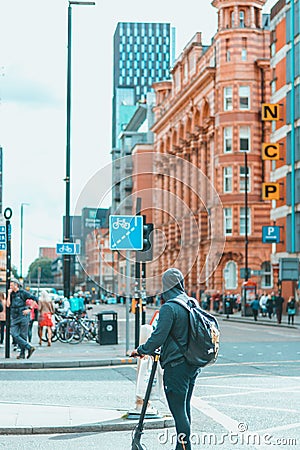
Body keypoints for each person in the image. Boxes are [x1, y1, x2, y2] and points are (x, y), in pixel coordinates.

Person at [131, 268, 201, 450]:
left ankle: (185, 448)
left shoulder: (169, 307)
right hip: (192, 364)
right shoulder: (191, 302)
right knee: (184, 409)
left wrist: (141, 350)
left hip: (176, 366)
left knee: (178, 412)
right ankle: (182, 446)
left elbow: (157, 337)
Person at [7, 279, 37, 359]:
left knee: (23, 335)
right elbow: (8, 305)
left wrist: (29, 309)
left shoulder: (23, 293)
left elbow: (35, 299)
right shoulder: (11, 294)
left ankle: (22, 354)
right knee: (14, 333)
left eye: (11, 285)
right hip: (14, 316)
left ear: (16, 285)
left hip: (23, 315)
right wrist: (9, 294)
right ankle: (29, 347)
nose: (10, 287)